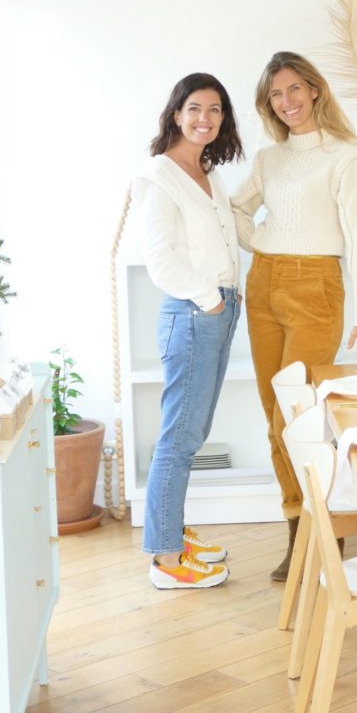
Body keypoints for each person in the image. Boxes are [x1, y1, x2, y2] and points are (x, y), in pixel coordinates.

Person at [231, 51, 357, 581]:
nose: (287, 102)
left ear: (315, 90)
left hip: (317, 285)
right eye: (276, 94)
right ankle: (299, 531)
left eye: (295, 89)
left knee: (296, 419)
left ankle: (327, 532)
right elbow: (235, 209)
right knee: (273, 419)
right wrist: (263, 241)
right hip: (264, 284)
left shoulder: (348, 154)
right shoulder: (269, 159)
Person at [132, 72, 244, 589]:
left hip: (217, 309)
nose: (205, 118)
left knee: (190, 433)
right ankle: (166, 557)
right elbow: (160, 259)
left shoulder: (207, 172)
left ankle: (171, 529)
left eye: (215, 110)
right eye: (195, 108)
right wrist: (210, 300)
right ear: (176, 113)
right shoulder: (159, 176)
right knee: (179, 438)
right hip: (195, 312)